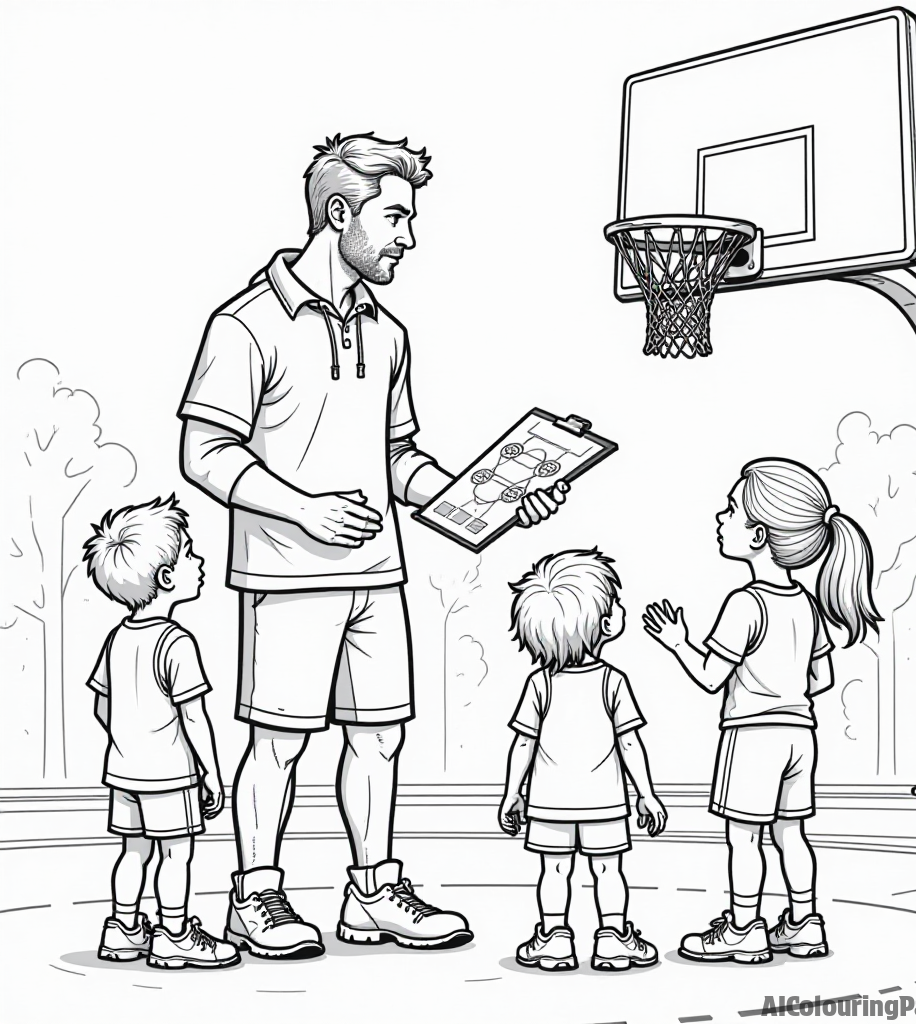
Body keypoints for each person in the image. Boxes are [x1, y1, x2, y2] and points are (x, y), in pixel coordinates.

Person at [179, 133, 568, 959]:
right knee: (278, 742)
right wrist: (303, 510)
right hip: (287, 576)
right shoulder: (246, 325)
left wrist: (497, 500)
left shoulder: (389, 334)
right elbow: (204, 453)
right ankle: (257, 896)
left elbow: (400, 461)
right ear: (339, 213)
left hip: (376, 575)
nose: (408, 236)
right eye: (396, 217)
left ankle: (372, 894)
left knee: (379, 738)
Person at [645, 458, 882, 964]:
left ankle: (744, 927)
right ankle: (803, 924)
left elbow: (711, 676)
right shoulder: (808, 603)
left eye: (730, 510)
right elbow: (822, 679)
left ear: (757, 535)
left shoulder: (745, 603)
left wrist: (676, 642)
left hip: (753, 734)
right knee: (791, 834)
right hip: (802, 734)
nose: (719, 517)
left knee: (744, 838)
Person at [83, 497, 238, 970]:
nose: (200, 561)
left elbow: (101, 705)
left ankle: (124, 929)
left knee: (132, 852)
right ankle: (174, 934)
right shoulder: (176, 642)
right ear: (168, 578)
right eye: (190, 554)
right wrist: (210, 774)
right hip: (171, 773)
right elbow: (194, 718)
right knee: (175, 855)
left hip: (124, 771)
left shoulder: (117, 638)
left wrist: (129, 740)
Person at [499, 549, 667, 972]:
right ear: (607, 625)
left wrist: (511, 794)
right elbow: (630, 744)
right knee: (608, 871)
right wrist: (646, 795)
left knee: (554, 870)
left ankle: (554, 938)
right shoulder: (613, 681)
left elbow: (523, 744)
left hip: (548, 802)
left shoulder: (539, 683)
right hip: (605, 802)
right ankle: (613, 938)